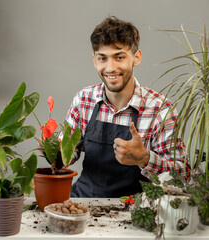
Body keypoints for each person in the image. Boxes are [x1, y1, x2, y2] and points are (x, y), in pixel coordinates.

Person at [65, 16, 190, 198]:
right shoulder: (83, 100)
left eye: (119, 57)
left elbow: (182, 175)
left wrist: (144, 159)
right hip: (82, 204)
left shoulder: (160, 109)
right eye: (103, 58)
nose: (110, 67)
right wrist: (53, 149)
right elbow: (67, 153)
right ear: (94, 60)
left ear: (136, 58)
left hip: (136, 212)